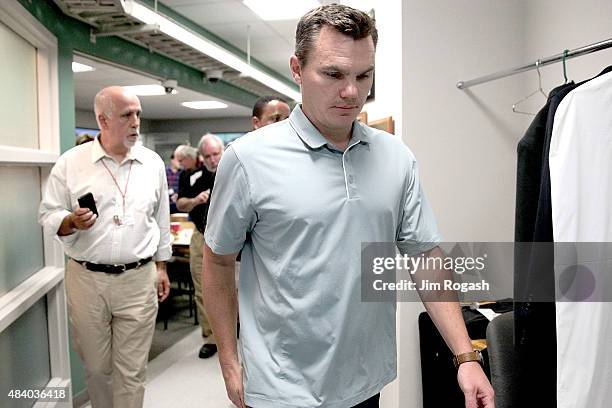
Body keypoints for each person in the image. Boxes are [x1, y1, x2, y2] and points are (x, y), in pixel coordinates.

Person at [202, 4, 495, 408]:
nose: (352, 92)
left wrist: (466, 356)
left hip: (364, 380)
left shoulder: (396, 157)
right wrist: (230, 361)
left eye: (364, 75)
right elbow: (217, 261)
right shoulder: (248, 160)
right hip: (281, 387)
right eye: (334, 74)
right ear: (296, 68)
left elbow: (425, 256)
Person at [38, 86, 171, 408]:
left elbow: (161, 218)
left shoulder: (151, 163)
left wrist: (162, 266)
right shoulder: (72, 163)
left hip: (138, 279)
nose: (136, 122)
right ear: (102, 119)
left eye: (138, 113)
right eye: (127, 115)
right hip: (87, 279)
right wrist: (71, 220)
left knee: (132, 370)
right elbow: (47, 213)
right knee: (97, 369)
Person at [176, 134, 225, 359]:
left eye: (216, 154)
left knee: (237, 288)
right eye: (208, 156)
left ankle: (238, 331)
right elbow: (181, 203)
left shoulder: (235, 172)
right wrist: (196, 200)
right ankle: (211, 337)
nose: (213, 160)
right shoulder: (191, 176)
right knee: (203, 289)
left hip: (232, 241)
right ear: (201, 157)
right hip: (201, 236)